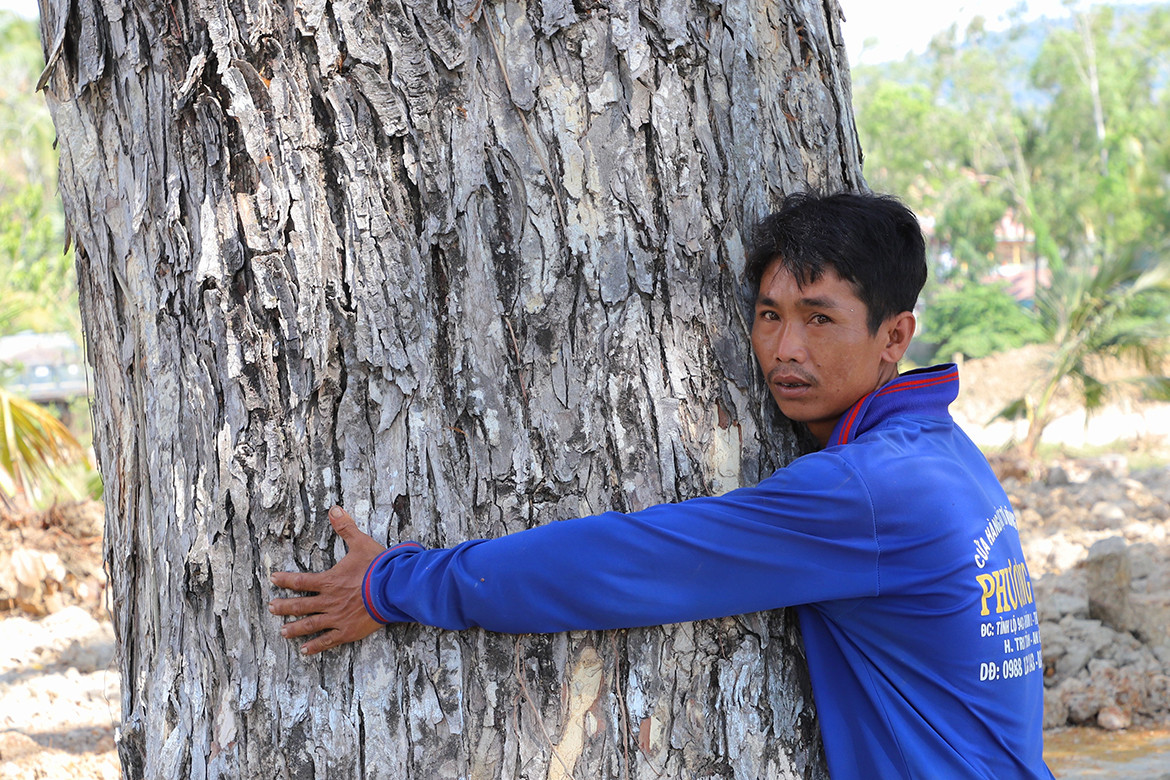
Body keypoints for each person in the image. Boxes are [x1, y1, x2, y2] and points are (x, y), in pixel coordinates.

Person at [270, 191, 1054, 779]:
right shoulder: (941, 448)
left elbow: (633, 562)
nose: (784, 348)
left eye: (819, 320)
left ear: (894, 336)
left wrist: (394, 585)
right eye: (768, 314)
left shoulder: (873, 490)